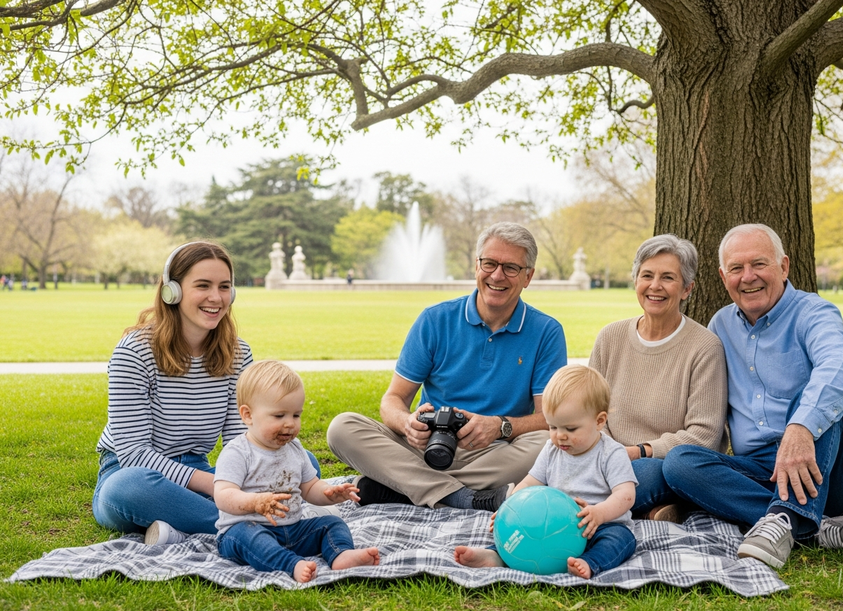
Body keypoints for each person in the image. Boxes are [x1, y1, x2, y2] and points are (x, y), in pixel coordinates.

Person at [664, 224, 843, 568]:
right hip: (764, 469)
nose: (748, 277)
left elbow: (841, 364)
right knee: (679, 463)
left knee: (811, 396)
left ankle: (782, 520)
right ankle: (814, 527)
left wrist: (801, 428)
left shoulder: (814, 312)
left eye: (759, 264)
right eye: (736, 268)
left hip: (837, 471)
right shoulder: (719, 326)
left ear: (784, 267)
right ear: (723, 276)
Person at [327, 222, 568, 512]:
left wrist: (500, 426)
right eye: (489, 263)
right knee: (342, 428)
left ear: (528, 276)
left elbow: (549, 418)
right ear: (476, 265)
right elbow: (394, 399)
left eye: (511, 268)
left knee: (548, 444)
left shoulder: (546, 331)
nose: (497, 275)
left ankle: (401, 487)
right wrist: (407, 423)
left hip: (494, 452)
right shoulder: (434, 320)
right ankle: (461, 497)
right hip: (424, 447)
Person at [92, 241, 320, 543]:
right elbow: (134, 454)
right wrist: (219, 487)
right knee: (128, 487)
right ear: (172, 291)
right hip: (133, 473)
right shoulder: (133, 352)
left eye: (224, 287)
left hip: (203, 469)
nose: (216, 298)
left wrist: (238, 480)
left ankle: (190, 526)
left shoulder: (238, 353)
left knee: (302, 461)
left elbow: (244, 438)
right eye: (203, 286)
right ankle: (253, 525)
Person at [588, 234, 728, 521]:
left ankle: (590, 511)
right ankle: (656, 510)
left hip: (657, 463)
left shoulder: (704, 347)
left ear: (687, 289)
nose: (655, 286)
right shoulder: (610, 337)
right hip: (604, 454)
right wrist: (605, 451)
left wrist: (638, 451)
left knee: (640, 475)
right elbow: (587, 408)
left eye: (668, 278)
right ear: (636, 281)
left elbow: (704, 436)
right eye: (647, 275)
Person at [454, 364, 637, 579]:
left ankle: (589, 562)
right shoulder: (552, 449)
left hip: (600, 526)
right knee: (524, 533)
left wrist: (599, 513)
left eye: (570, 429)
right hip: (554, 523)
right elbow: (530, 482)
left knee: (621, 540)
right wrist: (509, 509)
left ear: (599, 421)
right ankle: (497, 555)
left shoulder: (611, 453)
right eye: (552, 427)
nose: (560, 436)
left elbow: (626, 495)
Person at [214, 361, 380, 583]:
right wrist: (254, 502)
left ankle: (340, 554)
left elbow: (310, 487)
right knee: (250, 536)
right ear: (248, 415)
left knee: (331, 523)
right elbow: (223, 496)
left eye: (296, 415)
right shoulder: (238, 452)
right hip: (242, 531)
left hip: (291, 531)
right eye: (279, 415)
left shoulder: (295, 449)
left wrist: (330, 492)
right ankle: (290, 564)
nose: (290, 424)